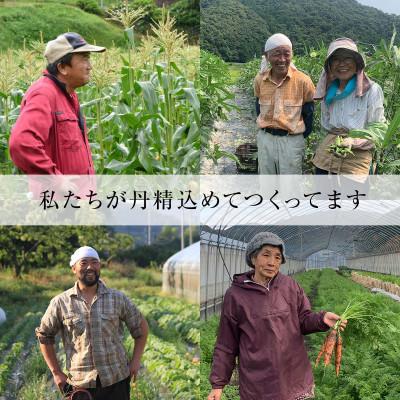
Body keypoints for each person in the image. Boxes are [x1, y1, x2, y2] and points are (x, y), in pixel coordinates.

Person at [207, 232, 347, 400]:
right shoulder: (236, 295)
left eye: (277, 257)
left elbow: (303, 319)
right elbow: (226, 343)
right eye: (266, 255)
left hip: (294, 374)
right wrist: (218, 384)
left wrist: (321, 319)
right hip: (258, 383)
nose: (272, 262)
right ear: (253, 258)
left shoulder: (290, 286)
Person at [35, 246, 148, 400]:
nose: (90, 267)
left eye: (95, 262)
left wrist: (135, 361)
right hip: (80, 384)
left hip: (116, 381)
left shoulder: (117, 298)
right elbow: (44, 335)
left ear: (99, 266)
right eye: (84, 263)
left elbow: (140, 327)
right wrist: (56, 372)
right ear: (73, 268)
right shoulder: (60, 302)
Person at [9, 32, 106, 174]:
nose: (89, 66)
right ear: (62, 68)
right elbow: (21, 144)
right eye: (84, 59)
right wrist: (56, 180)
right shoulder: (44, 94)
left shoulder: (68, 94)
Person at [312, 37, 385, 175]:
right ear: (330, 65)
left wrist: (353, 140)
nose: (342, 64)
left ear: (357, 63)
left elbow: (378, 129)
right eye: (336, 59)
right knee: (323, 192)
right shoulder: (328, 91)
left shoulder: (371, 90)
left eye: (348, 58)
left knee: (354, 195)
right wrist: (339, 137)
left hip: (358, 153)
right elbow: (326, 123)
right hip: (331, 147)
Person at [254, 33, 315, 174]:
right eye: (276, 54)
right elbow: (258, 107)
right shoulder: (259, 80)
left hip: (291, 141)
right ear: (267, 56)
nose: (282, 59)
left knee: (290, 187)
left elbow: (309, 112)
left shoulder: (303, 81)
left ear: (291, 54)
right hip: (265, 138)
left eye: (286, 54)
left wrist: (298, 137)